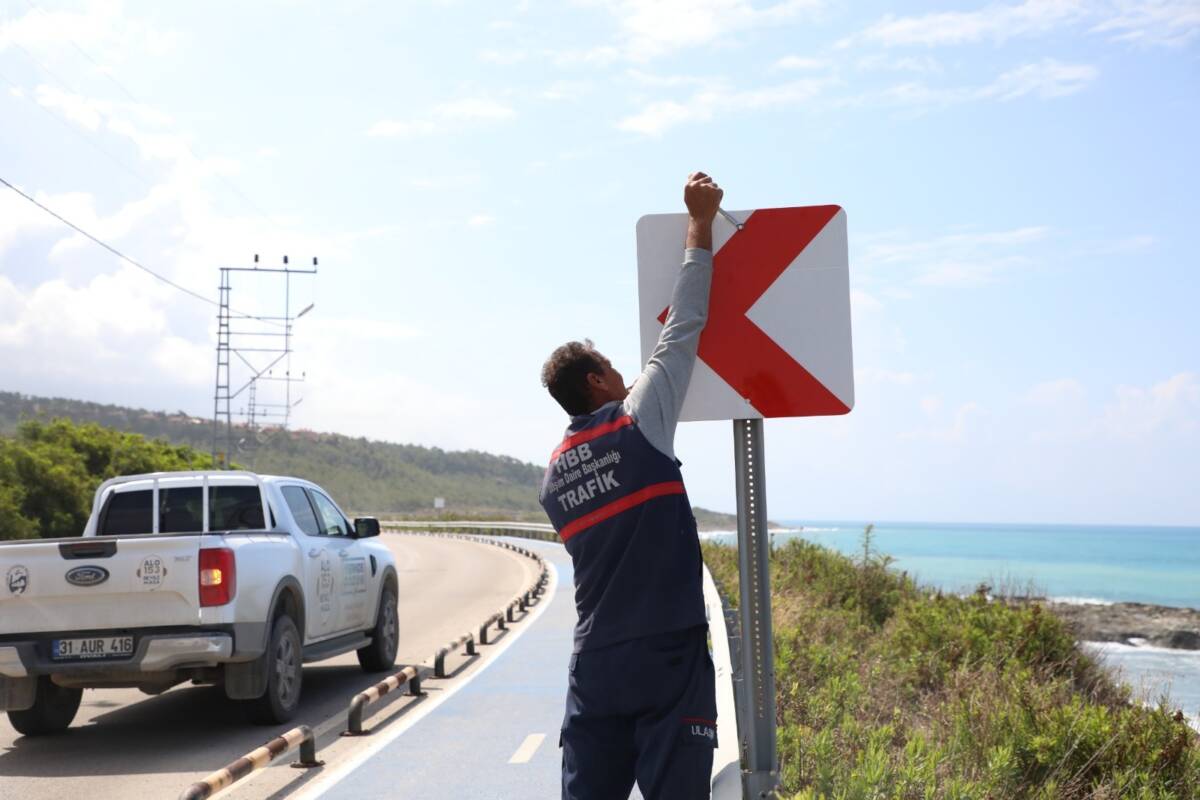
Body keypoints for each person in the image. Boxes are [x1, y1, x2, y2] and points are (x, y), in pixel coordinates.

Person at [539, 172, 723, 800]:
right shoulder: (638, 420)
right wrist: (700, 221)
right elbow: (683, 327)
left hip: (596, 665)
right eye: (614, 366)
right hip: (666, 653)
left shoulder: (554, 477)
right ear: (594, 381)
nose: (625, 372)